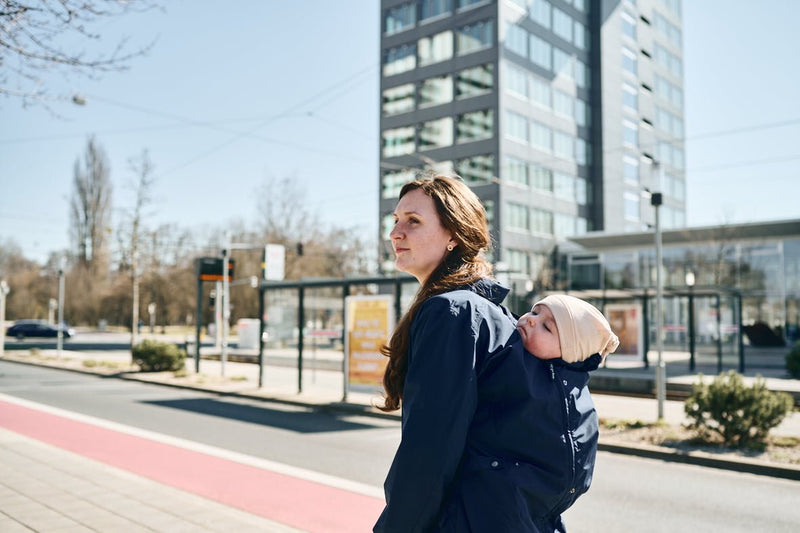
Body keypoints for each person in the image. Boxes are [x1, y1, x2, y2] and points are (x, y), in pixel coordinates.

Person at [374, 174, 618, 533]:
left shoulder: (452, 312)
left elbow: (429, 451)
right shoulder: (489, 313)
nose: (396, 232)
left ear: (454, 235)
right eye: (396, 220)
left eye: (414, 221)